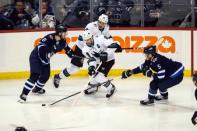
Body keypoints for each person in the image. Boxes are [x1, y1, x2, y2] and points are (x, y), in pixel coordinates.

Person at [53, 14, 112, 88]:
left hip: (94, 48)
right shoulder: (91, 26)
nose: (100, 24)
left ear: (106, 24)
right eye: (99, 22)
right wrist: (88, 51)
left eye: (103, 23)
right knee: (75, 68)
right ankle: (58, 76)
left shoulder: (106, 28)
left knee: (96, 67)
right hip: (82, 47)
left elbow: (108, 38)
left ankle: (93, 84)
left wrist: (112, 46)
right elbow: (84, 38)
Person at [18, 24, 73, 103]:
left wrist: (73, 56)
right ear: (60, 33)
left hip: (45, 59)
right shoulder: (48, 38)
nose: (66, 34)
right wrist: (46, 58)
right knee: (35, 75)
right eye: (65, 32)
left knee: (45, 76)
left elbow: (68, 50)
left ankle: (37, 89)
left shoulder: (62, 41)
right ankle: (23, 95)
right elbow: (41, 49)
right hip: (36, 57)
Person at [81, 30, 121, 98]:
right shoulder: (85, 50)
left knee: (98, 76)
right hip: (99, 63)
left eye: (89, 39)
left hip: (109, 61)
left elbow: (114, 44)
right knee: (93, 75)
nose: (88, 41)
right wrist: (91, 67)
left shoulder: (101, 38)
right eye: (86, 40)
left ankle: (111, 87)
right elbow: (92, 59)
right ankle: (93, 86)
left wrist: (106, 53)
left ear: (92, 37)